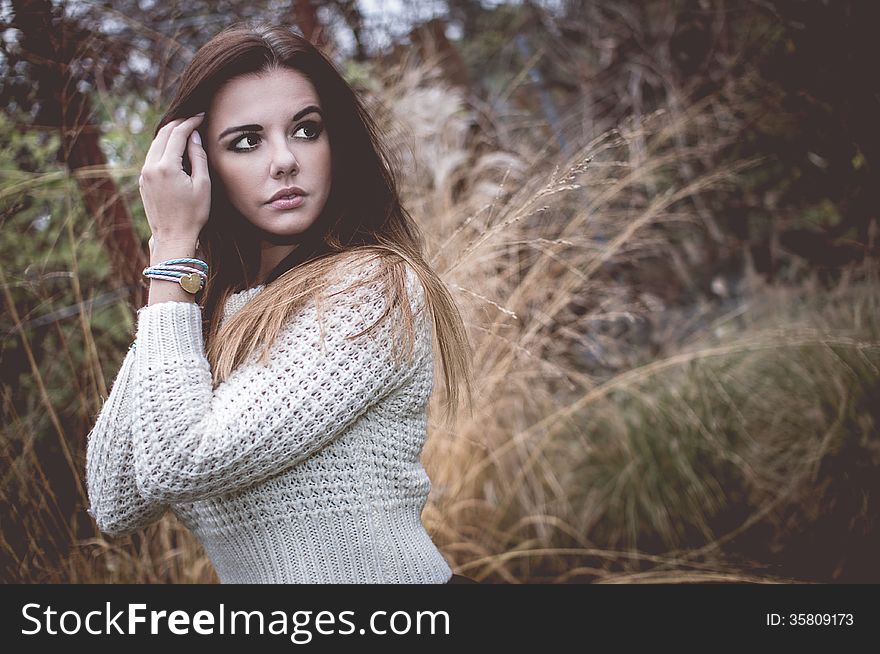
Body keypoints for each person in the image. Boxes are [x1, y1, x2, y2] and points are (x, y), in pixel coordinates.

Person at [85, 20, 477, 584]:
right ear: (200, 168)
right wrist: (178, 268)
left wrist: (171, 249)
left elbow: (180, 460)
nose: (285, 160)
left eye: (306, 130)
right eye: (246, 141)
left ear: (334, 141)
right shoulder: (201, 309)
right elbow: (115, 499)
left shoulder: (373, 288)